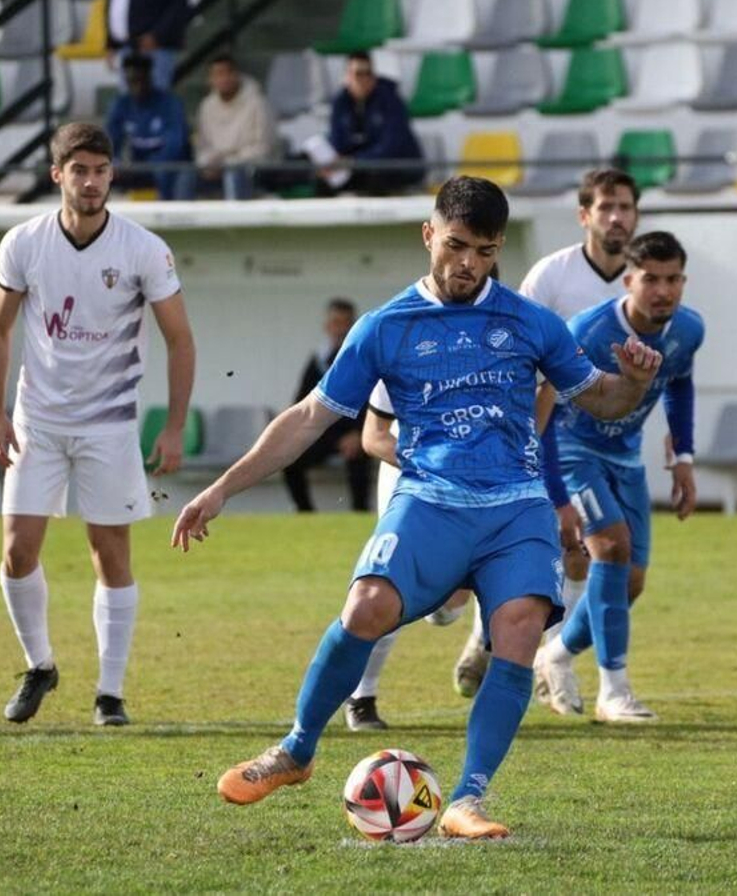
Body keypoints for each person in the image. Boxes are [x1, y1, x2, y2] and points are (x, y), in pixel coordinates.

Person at [172, 176, 663, 839]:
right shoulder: (386, 327)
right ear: (429, 234)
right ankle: (296, 749)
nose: (470, 265)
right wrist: (221, 487)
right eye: (458, 246)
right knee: (366, 606)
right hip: (430, 499)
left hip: (516, 507)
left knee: (519, 627)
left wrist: (633, 381)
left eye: (486, 251)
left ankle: (468, 799)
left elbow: (598, 398)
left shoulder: (529, 321)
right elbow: (311, 417)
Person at [0, 122, 196, 728]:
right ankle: (40, 666)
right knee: (17, 551)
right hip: (37, 420)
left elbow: (180, 339)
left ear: (112, 176)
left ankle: (110, 692)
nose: (92, 181)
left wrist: (173, 425)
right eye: (79, 170)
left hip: (109, 424)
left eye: (101, 170)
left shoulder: (143, 249)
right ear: (58, 175)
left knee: (111, 554)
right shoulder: (22, 242)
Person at [446, 169, 645, 697]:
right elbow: (513, 354)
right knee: (545, 544)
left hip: (609, 438)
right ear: (585, 215)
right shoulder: (550, 278)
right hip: (541, 431)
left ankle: (545, 660)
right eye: (605, 207)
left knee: (598, 559)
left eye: (625, 207)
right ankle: (498, 644)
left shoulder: (643, 279)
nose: (616, 217)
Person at [532, 231, 704, 724]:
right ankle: (615, 692)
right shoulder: (585, 332)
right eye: (651, 279)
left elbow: (680, 383)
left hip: (625, 456)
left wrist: (684, 456)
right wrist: (558, 497)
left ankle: (557, 654)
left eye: (673, 280)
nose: (663, 291)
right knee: (609, 546)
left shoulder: (688, 330)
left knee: (628, 583)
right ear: (629, 280)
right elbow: (542, 416)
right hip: (570, 449)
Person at [342, 379, 476, 731]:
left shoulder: (499, 338)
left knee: (449, 608)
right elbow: (373, 436)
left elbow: (543, 391)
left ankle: (483, 642)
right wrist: (429, 466)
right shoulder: (403, 341)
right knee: (389, 585)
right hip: (410, 472)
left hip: (480, 475)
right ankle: (361, 696)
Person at [282, 299, 371, 513]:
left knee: (359, 456)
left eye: (345, 323)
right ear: (327, 326)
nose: (340, 328)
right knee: (289, 459)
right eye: (336, 322)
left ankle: (359, 513)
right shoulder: (318, 361)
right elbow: (302, 402)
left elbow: (374, 402)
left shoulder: (364, 358)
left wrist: (358, 434)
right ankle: (305, 513)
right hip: (324, 433)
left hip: (355, 432)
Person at [321, 52, 423, 195]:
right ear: (347, 76)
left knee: (374, 175)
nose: (363, 79)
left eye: (368, 73)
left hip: (394, 168)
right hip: (360, 168)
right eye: (358, 73)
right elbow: (337, 140)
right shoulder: (340, 102)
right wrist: (335, 161)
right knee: (321, 177)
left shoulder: (391, 100)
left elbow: (391, 146)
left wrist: (354, 161)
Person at [106, 54, 193, 201]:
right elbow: (110, 139)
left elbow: (175, 144)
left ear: (149, 77)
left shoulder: (170, 103)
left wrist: (148, 165)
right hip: (137, 165)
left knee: (165, 171)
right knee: (104, 172)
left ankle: (165, 217)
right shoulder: (121, 104)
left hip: (170, 165)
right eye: (131, 81)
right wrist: (115, 161)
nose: (136, 85)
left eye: (140, 80)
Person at [192, 54, 275, 201]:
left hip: (251, 168)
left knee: (234, 174)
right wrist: (209, 164)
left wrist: (228, 163)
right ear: (211, 80)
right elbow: (202, 146)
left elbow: (263, 147)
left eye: (228, 73)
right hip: (215, 168)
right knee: (187, 177)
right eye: (218, 74)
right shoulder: (206, 106)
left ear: (237, 75)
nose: (224, 79)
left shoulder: (257, 102)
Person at [107, 0, 190, 95]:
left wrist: (157, 36)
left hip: (155, 48)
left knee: (156, 98)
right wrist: (112, 44)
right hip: (126, 48)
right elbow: (116, 8)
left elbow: (178, 5)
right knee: (128, 99)